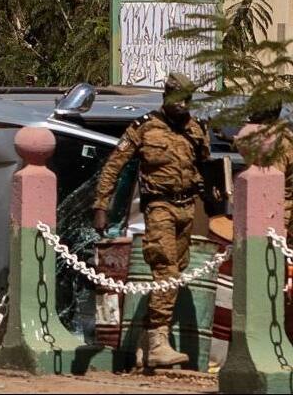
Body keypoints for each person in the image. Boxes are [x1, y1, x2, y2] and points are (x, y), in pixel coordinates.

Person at [92, 72, 211, 368]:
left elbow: (207, 170)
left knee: (177, 271)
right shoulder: (144, 128)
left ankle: (146, 348)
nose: (182, 105)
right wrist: (101, 206)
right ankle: (158, 343)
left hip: (188, 208)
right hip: (159, 207)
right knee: (166, 270)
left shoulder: (196, 130)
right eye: (177, 99)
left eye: (187, 99)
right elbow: (113, 166)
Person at [237, 96, 293, 243]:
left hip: (278, 214)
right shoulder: (275, 136)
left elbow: (272, 188)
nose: (251, 113)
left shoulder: (276, 142)